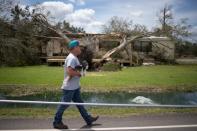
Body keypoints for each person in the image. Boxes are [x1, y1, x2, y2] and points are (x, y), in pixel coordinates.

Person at [53, 40, 99, 129]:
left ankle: (88, 119)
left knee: (80, 104)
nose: (80, 48)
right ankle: (57, 122)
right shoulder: (72, 58)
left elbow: (75, 69)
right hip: (69, 87)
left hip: (74, 87)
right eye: (78, 47)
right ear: (74, 48)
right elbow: (70, 71)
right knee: (64, 105)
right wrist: (80, 73)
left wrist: (83, 68)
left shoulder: (74, 57)